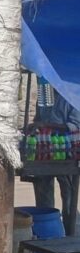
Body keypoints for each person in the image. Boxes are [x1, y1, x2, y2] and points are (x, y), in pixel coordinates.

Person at [32, 89, 80, 234]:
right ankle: (46, 230)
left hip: (67, 152)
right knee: (43, 194)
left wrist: (48, 127)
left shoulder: (72, 96)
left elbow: (75, 125)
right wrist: (34, 127)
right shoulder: (44, 96)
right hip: (44, 151)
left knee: (69, 198)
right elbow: (38, 120)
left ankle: (72, 233)